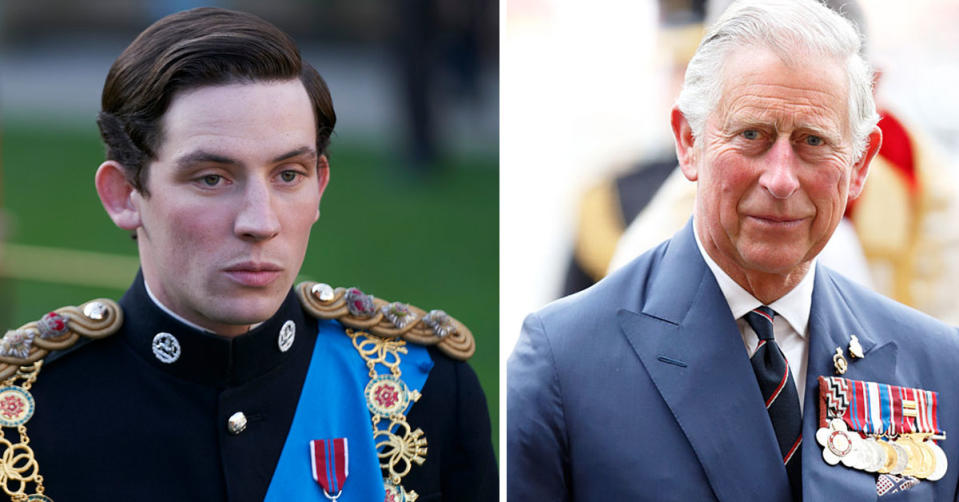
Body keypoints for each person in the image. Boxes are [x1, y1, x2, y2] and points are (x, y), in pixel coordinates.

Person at [0, 8, 496, 502]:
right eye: (212, 178)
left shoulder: (424, 390)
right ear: (124, 194)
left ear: (320, 185)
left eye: (288, 175)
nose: (260, 221)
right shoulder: (20, 417)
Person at [508, 0, 959, 500]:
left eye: (812, 141)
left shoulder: (940, 366)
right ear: (688, 140)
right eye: (751, 135)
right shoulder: (562, 363)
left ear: (859, 164)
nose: (782, 179)